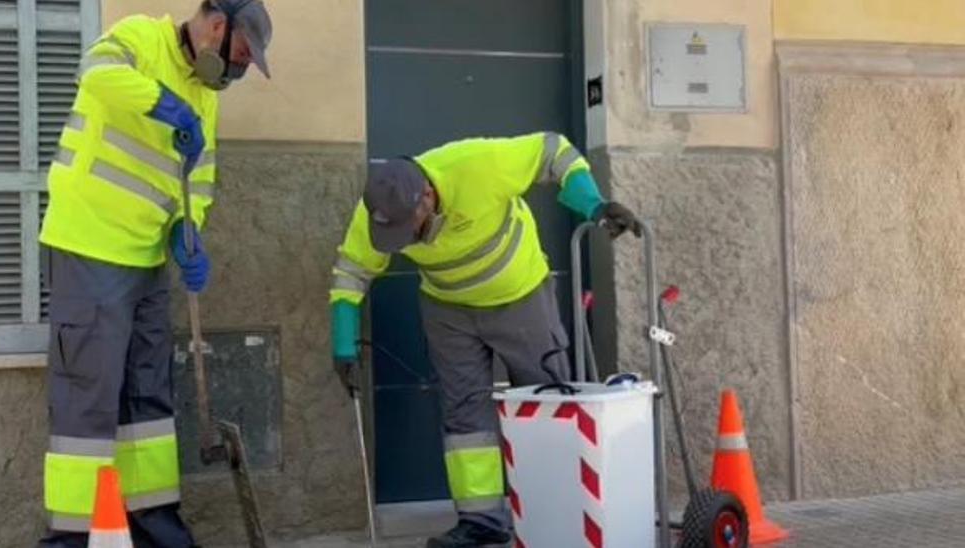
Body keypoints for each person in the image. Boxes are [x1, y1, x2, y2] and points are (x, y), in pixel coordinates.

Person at [329, 132, 641, 547]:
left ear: (426, 195)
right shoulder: (379, 212)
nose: (404, 238)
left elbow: (554, 151)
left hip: (520, 298)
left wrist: (594, 204)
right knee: (464, 415)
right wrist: (343, 343)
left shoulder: (476, 164)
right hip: (448, 310)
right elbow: (351, 273)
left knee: (546, 400)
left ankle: (561, 504)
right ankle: (482, 523)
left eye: (410, 227)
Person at [35, 1, 272, 546]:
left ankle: (155, 528)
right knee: (89, 400)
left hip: (146, 260)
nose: (237, 70)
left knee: (148, 400)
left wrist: (187, 234)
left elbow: (201, 178)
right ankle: (72, 538)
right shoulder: (141, 37)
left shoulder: (206, 98)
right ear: (218, 26)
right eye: (240, 54)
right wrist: (163, 103)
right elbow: (95, 74)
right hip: (90, 245)